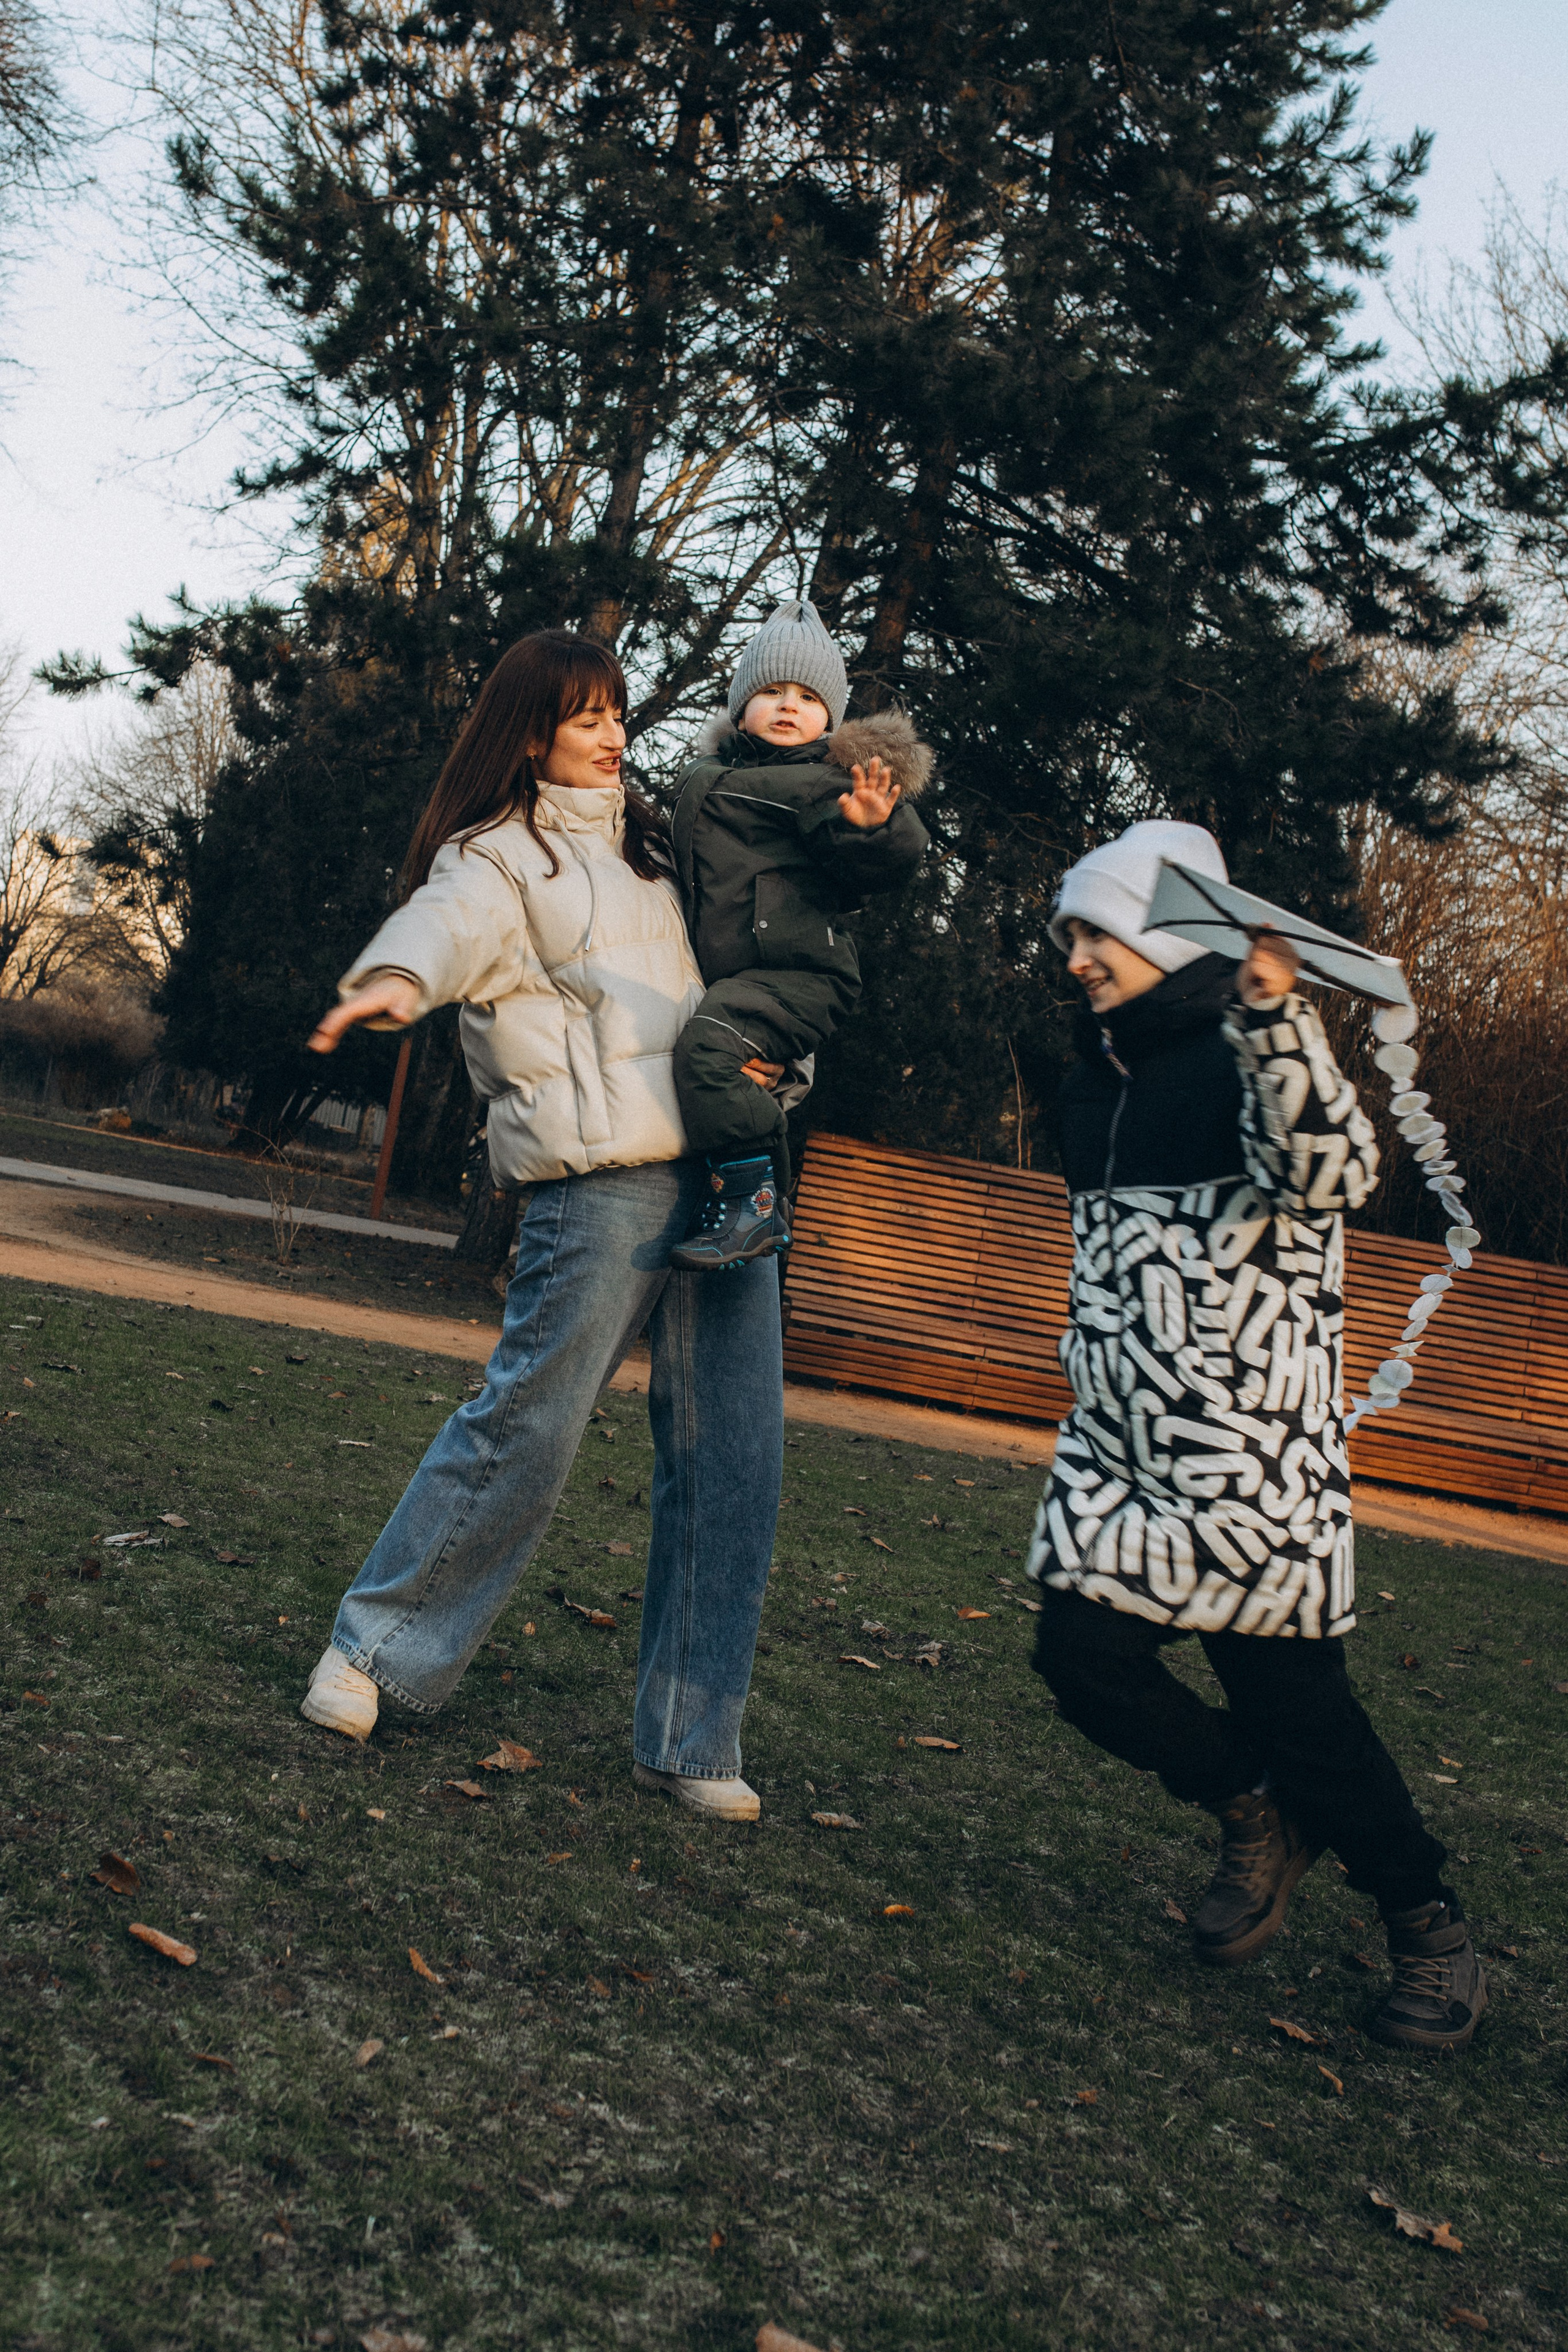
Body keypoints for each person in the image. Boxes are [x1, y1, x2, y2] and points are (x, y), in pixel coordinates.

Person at [296, 630, 786, 1822]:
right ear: (529, 735)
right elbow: (445, 923)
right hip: (602, 1179)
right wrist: (397, 979)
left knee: (734, 1462)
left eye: (617, 711)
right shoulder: (495, 857)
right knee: (530, 1425)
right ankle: (372, 1650)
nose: (614, 733)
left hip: (728, 1176)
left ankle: (691, 1741)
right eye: (585, 716)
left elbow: (757, 961)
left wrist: (778, 1057)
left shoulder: (660, 847)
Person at [1025, 818, 1486, 2053]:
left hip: (1247, 1463)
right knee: (1080, 1660)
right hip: (1123, 1454)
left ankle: (1427, 1925)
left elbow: (1332, 1175)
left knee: (1305, 1719)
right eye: (1069, 935)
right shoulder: (1093, 1079)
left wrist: (1277, 1021)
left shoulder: (1250, 1051)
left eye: (1098, 932)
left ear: (1172, 936)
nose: (1076, 957)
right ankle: (1253, 1810)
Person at [666, 598, 932, 1270]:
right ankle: (747, 1205)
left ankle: (756, 1201)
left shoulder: (826, 783)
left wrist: (871, 826)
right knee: (714, 1054)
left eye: (809, 698)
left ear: (830, 720)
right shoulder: (712, 779)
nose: (789, 705)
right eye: (772, 692)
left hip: (802, 975)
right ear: (740, 708)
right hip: (744, 976)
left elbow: (893, 853)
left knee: (707, 1048)